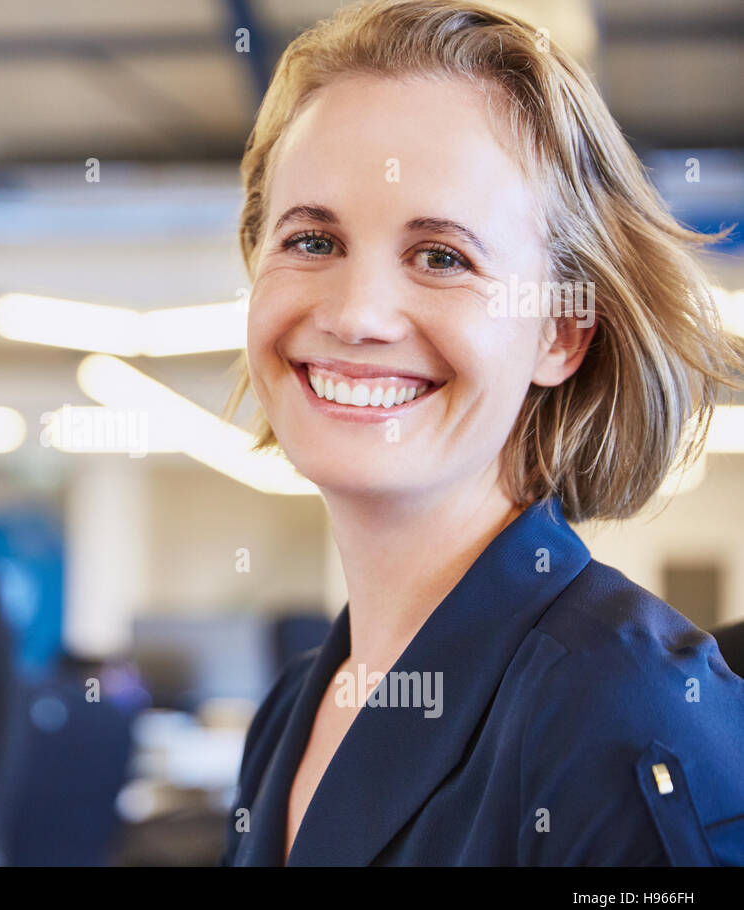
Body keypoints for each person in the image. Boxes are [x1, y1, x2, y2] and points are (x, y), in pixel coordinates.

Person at [220, 0, 744, 866]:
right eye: (312, 240)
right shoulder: (291, 710)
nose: (355, 315)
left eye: (442, 257)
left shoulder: (628, 714)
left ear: (560, 332)